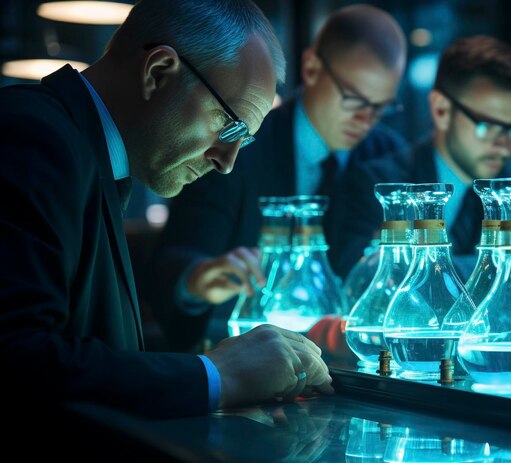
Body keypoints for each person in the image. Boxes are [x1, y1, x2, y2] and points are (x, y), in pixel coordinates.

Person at [0, 0, 333, 419]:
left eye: (243, 140)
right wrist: (216, 374)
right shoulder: (33, 138)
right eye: (229, 126)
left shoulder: (79, 151)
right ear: (157, 73)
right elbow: (18, 358)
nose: (227, 163)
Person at [147, 4, 408, 353]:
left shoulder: (388, 156)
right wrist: (198, 278)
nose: (367, 119)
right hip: (248, 356)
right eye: (354, 99)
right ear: (312, 67)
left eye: (381, 107)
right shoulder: (238, 146)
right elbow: (173, 261)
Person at [334, 35, 511, 281]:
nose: (504, 145)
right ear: (441, 110)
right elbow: (358, 281)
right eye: (487, 126)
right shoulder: (377, 187)